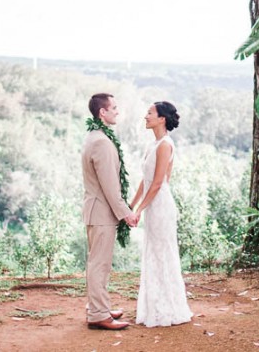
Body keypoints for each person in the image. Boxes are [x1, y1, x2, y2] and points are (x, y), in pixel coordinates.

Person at [130, 101, 192, 328]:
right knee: (153, 253)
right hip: (152, 203)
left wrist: (139, 210)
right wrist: (133, 203)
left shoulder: (166, 145)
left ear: (162, 118)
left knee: (162, 253)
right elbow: (145, 181)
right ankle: (153, 308)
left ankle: (169, 308)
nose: (145, 116)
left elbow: (158, 183)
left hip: (161, 205)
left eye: (150, 113)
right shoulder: (153, 145)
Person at [81, 92, 139, 331]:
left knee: (98, 263)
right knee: (99, 264)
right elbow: (110, 185)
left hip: (97, 210)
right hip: (102, 212)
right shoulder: (102, 143)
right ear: (102, 112)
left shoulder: (95, 136)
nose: (117, 111)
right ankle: (98, 315)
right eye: (113, 107)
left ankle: (99, 307)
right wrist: (126, 212)